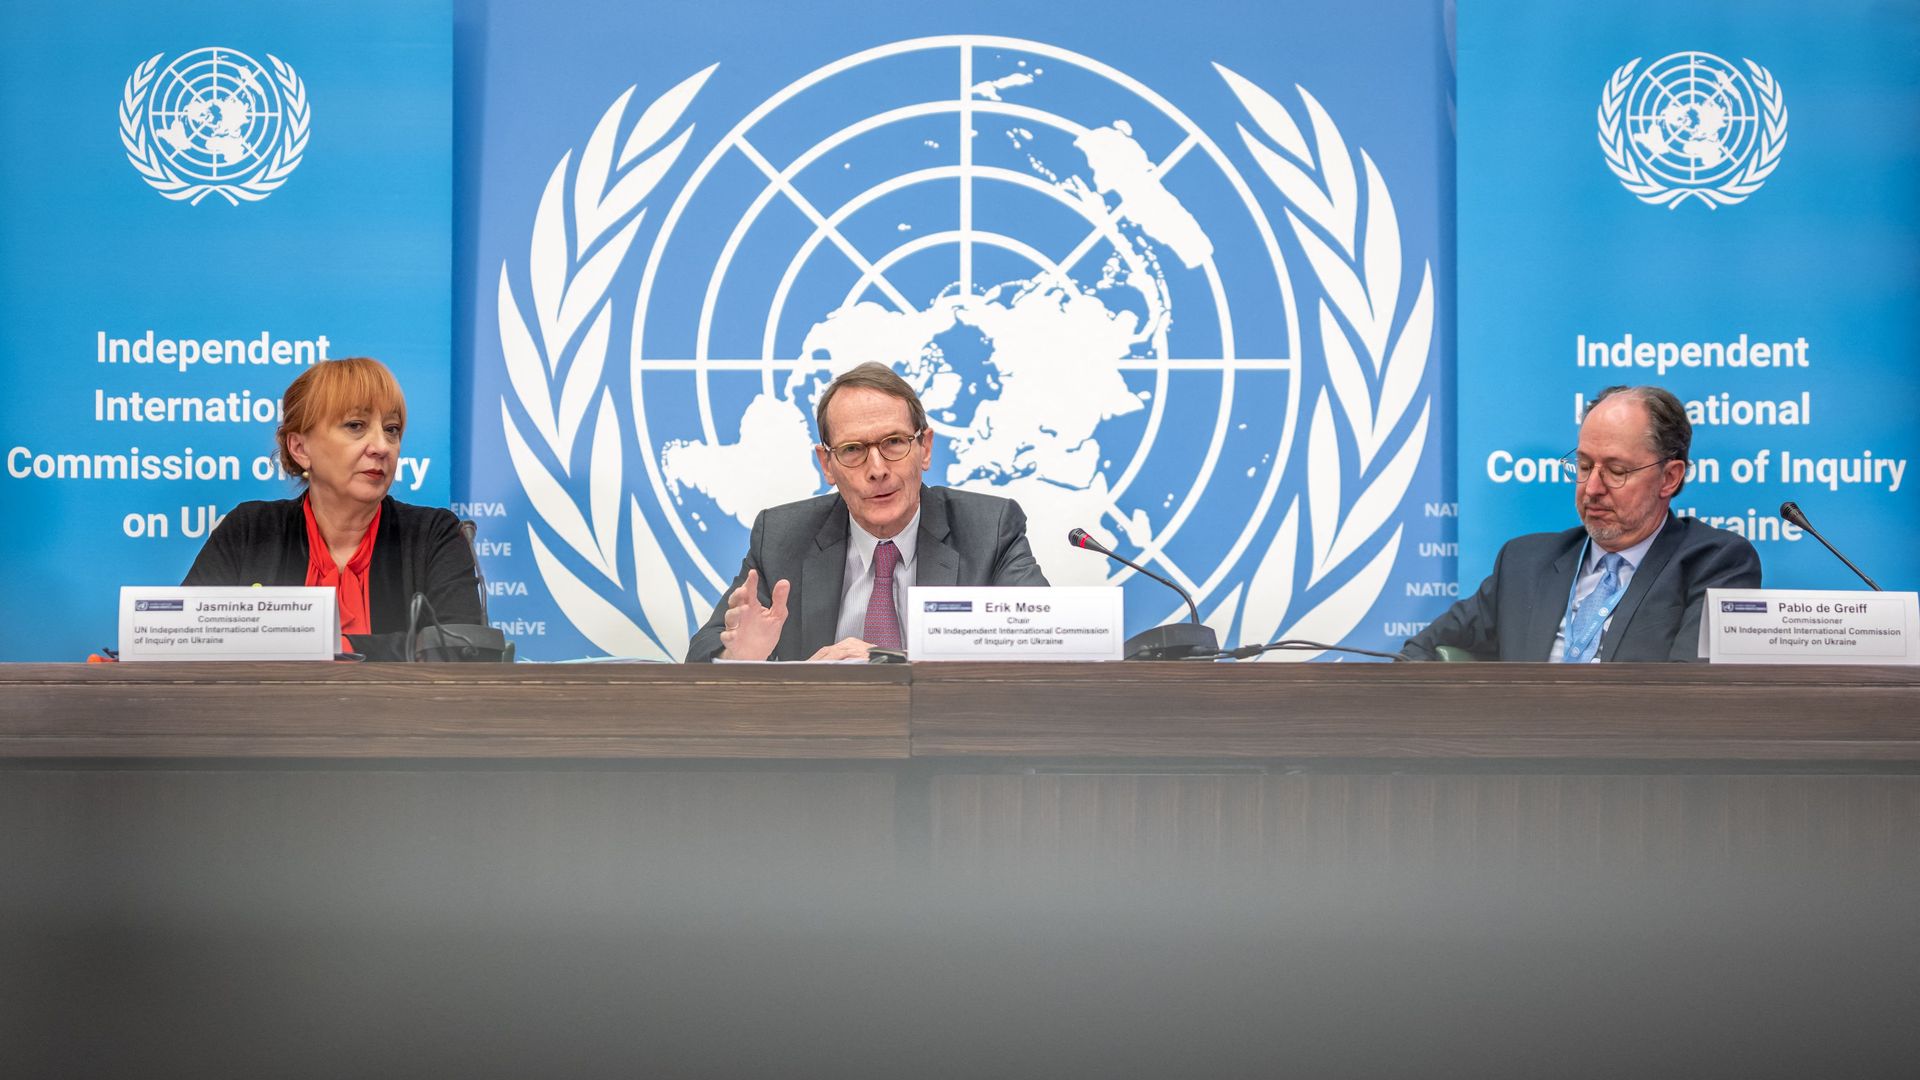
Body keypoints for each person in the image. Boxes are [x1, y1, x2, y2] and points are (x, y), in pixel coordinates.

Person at [687, 362, 1049, 662]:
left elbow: (1045, 643)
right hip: (823, 740)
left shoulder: (989, 530)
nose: (877, 469)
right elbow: (703, 656)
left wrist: (889, 661)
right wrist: (742, 659)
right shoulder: (781, 537)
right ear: (827, 464)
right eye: (853, 449)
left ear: (924, 448)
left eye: (893, 442)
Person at [1402, 385, 1761, 662]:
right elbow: (1417, 653)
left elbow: (1696, 693)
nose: (1591, 488)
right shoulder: (1524, 562)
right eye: (1585, 466)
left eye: (1616, 471)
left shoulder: (1714, 563)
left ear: (1669, 478)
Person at [182, 357, 482, 653]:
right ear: (300, 448)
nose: (381, 447)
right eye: (355, 425)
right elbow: (187, 640)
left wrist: (328, 647)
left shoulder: (434, 535)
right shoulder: (250, 532)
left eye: (391, 429)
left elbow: (464, 650)